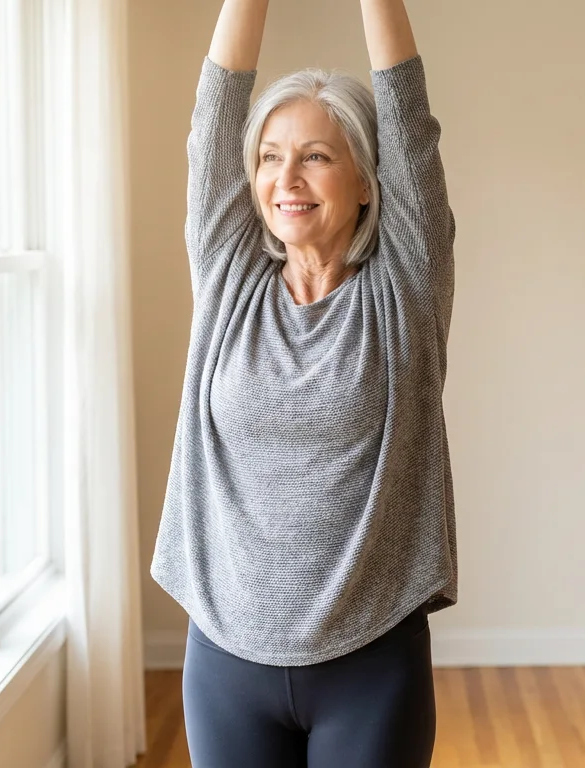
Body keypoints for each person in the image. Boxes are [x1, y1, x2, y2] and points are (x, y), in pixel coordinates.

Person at [147, 0, 457, 764]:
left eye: (316, 156)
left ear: (365, 180)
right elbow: (214, 120)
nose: (287, 177)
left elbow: (409, 120)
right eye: (270, 157)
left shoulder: (404, 290)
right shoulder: (227, 279)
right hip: (225, 655)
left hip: (369, 660)